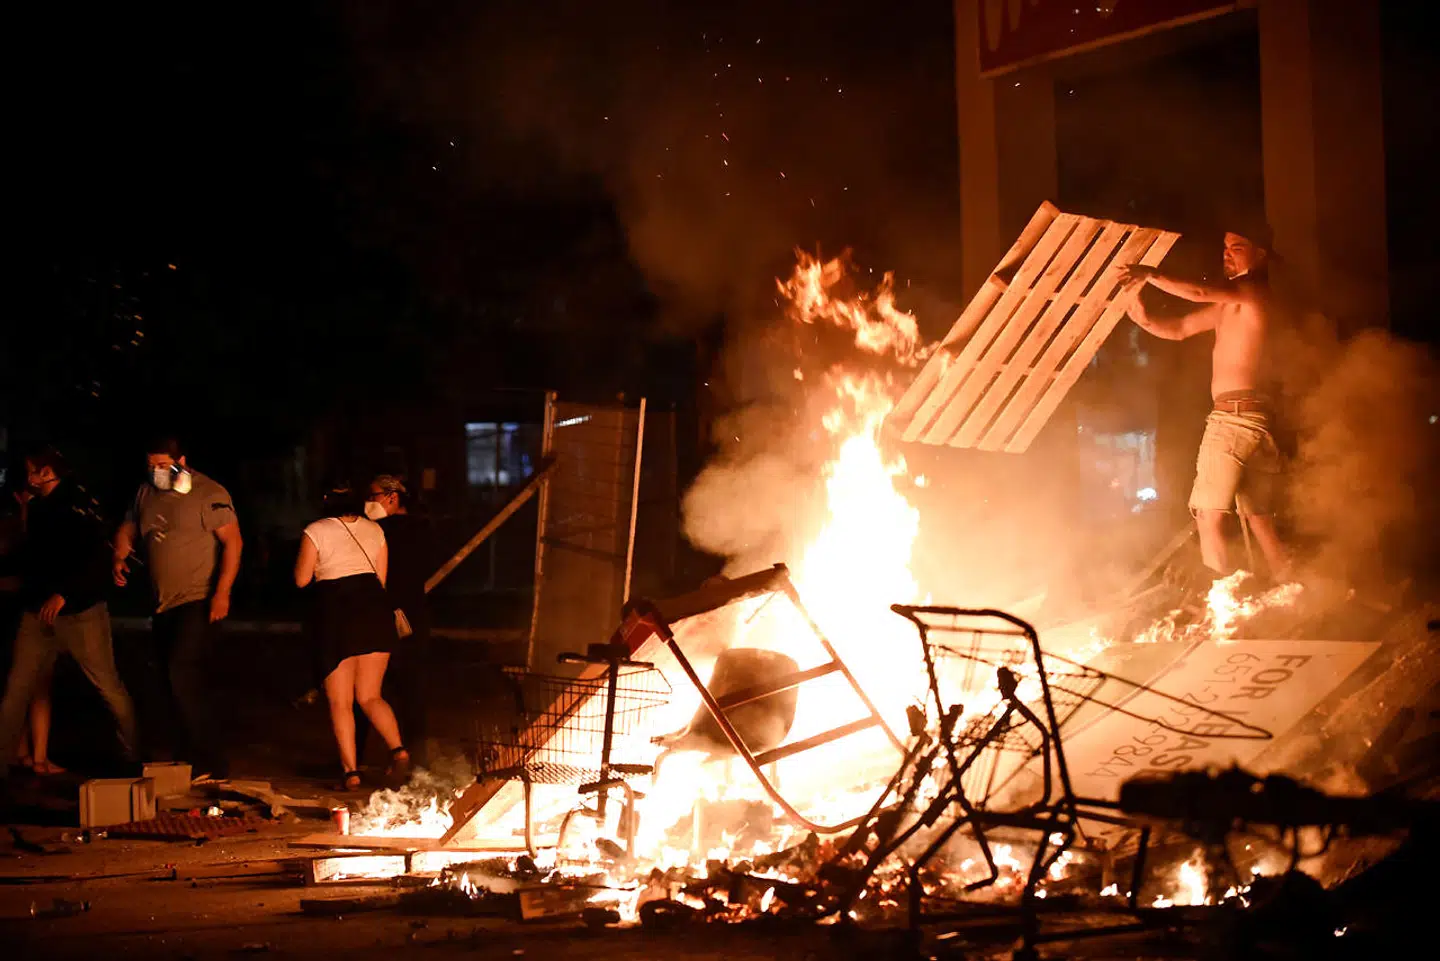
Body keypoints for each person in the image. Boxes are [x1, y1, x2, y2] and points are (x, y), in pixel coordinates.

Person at [1119, 227, 1292, 583]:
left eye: (1238, 248)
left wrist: (1151, 274)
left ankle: (1222, 603)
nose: (1227, 254)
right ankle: (1292, 588)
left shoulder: (1252, 292)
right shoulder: (1231, 305)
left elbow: (1197, 291)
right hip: (1257, 420)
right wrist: (1143, 317)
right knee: (1258, 516)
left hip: (1233, 420)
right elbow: (1181, 328)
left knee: (1207, 513)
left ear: (1261, 255)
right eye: (1225, 247)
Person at [0, 447, 138, 775]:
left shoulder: (75, 507)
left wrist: (64, 594)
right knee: (16, 690)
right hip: (38, 613)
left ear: (49, 473)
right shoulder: (38, 509)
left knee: (108, 686)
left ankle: (134, 756)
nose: (29, 477)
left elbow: (93, 559)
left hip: (79, 614)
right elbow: (32, 557)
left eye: (34, 471)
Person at [113, 437, 241, 777]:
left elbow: (233, 543)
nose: (156, 471)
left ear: (181, 460)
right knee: (170, 682)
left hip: (197, 600)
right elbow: (128, 525)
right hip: (162, 603)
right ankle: (184, 753)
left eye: (162, 465)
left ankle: (211, 760)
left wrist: (222, 593)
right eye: (151, 465)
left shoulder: (208, 492)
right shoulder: (146, 492)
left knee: (181, 672)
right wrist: (120, 552)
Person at [295, 484, 409, 791]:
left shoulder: (316, 531)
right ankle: (398, 750)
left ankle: (351, 773)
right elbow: (381, 579)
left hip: (336, 615)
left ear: (324, 499)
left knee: (341, 702)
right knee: (371, 695)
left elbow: (302, 579)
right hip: (374, 612)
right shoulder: (375, 531)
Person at [364, 475, 432, 764]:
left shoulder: (385, 531)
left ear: (392, 497)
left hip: (395, 617)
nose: (369, 503)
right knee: (407, 691)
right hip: (412, 617)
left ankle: (365, 760)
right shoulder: (421, 528)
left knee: (372, 691)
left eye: (374, 496)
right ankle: (414, 758)